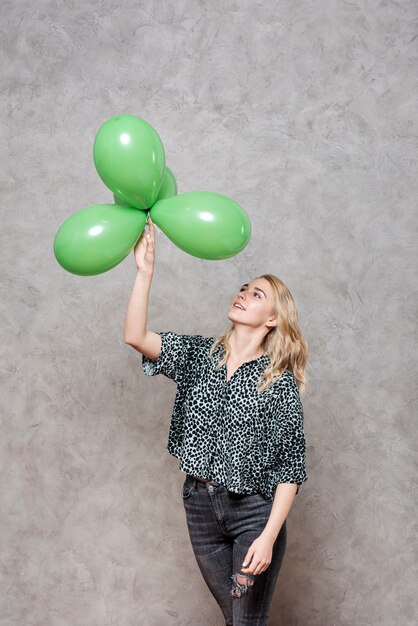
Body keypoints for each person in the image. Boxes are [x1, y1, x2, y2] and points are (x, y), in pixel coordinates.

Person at [124, 215, 308, 626]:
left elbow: (291, 467)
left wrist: (269, 535)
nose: (242, 294)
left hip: (254, 512)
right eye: (243, 288)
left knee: (245, 622)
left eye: (256, 294)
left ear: (273, 319)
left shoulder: (277, 383)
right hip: (200, 505)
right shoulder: (198, 356)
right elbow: (136, 335)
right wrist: (145, 272)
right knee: (237, 619)